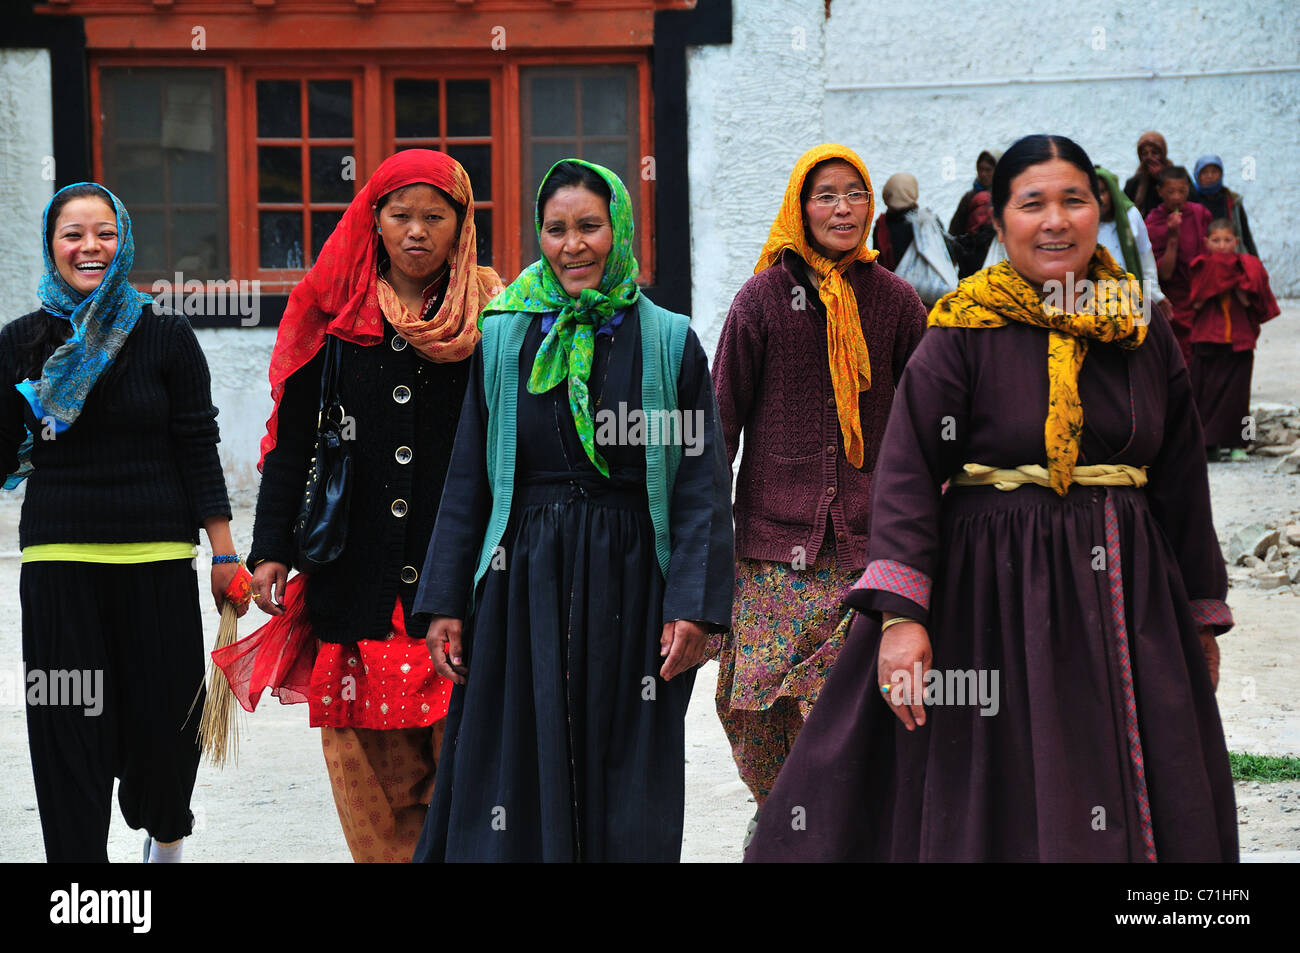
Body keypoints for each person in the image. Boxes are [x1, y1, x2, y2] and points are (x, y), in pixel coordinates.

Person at [747, 134, 1237, 862]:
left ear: (1098, 211)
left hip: (1126, 596)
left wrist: (1199, 610)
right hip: (992, 597)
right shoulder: (962, 330)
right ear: (1000, 221)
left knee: (1132, 771)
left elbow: (1181, 480)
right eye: (1031, 203)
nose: (1054, 220)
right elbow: (907, 473)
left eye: (1073, 200)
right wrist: (901, 619)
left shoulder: (1140, 330)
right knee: (999, 779)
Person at [411, 159, 734, 862]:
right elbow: (469, 476)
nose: (573, 245)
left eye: (589, 226)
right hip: (520, 577)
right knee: (511, 758)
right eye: (556, 229)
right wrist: (444, 601)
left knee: (626, 763)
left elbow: (700, 486)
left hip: (631, 581)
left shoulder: (668, 340)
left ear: (617, 229)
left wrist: (693, 605)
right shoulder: (504, 335)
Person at [240, 150, 502, 863]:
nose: (416, 231)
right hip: (357, 586)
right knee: (373, 801)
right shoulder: (333, 315)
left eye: (434, 216)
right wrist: (270, 550)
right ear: (374, 221)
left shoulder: (496, 317)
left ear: (461, 224)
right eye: (399, 215)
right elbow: (292, 445)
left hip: (463, 585)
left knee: (471, 788)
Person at [0, 182, 240, 863]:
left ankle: (166, 838)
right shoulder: (19, 343)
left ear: (124, 238)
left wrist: (224, 555)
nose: (90, 247)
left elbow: (198, 442)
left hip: (158, 559)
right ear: (51, 245)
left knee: (167, 727)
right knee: (67, 726)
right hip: (58, 563)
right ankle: (80, 884)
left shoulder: (164, 335)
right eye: (73, 234)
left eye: (103, 232)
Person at [713, 144, 925, 849]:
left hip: (870, 549)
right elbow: (720, 424)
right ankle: (783, 808)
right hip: (774, 548)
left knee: (846, 708)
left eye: (855, 194)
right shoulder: (762, 298)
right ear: (799, 208)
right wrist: (701, 539)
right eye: (826, 195)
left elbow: (925, 422)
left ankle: (838, 829)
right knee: (749, 704)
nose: (842, 208)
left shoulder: (895, 302)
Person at [1189, 219, 1280, 462]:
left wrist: (1233, 281)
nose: (1222, 246)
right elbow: (1195, 302)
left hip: (1238, 340)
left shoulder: (1246, 268)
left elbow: (1252, 303)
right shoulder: (1201, 267)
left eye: (1227, 240)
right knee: (1205, 395)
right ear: (1206, 243)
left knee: (1239, 398)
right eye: (1216, 241)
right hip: (1208, 338)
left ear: (1236, 242)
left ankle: (1240, 444)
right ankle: (1209, 444)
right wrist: (1215, 279)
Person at [1146, 166, 1212, 366]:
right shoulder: (1153, 222)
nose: (1176, 197)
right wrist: (1173, 237)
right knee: (1178, 358)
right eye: (1170, 192)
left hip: (1201, 297)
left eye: (1181, 191)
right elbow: (1164, 274)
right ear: (1160, 192)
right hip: (1174, 301)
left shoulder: (1200, 214)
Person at [1094, 165, 1165, 309]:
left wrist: (1156, 296)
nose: (1099, 198)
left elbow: (1146, 259)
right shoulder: (1085, 223)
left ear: (1113, 192)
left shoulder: (1131, 215)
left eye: (1102, 191)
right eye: (1093, 193)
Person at [1192, 154, 1259, 258]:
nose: (1210, 176)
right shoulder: (1192, 201)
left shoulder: (1233, 201)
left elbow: (1245, 234)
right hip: (1204, 259)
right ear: (1197, 175)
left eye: (1214, 172)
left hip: (1233, 257)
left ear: (1221, 174)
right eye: (1204, 172)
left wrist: (1255, 261)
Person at [948, 149, 1000, 235]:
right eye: (980, 169)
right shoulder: (968, 198)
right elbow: (955, 231)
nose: (983, 174)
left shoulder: (1005, 196)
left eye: (988, 170)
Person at [1124, 130, 1173, 218]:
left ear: (1163, 153)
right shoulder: (1133, 184)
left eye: (1154, 153)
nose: (1149, 157)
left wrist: (1162, 178)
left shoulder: (1177, 177)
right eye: (1145, 154)